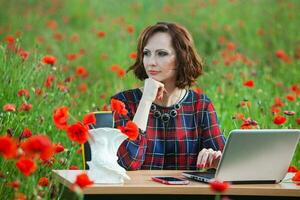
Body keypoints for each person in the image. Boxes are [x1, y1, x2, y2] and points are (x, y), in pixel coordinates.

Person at [112, 22, 225, 170]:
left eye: (162, 53)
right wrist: (146, 100)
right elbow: (128, 163)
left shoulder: (200, 106)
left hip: (184, 193)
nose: (151, 62)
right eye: (146, 53)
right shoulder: (123, 102)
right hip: (137, 192)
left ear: (181, 58)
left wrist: (215, 159)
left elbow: (228, 165)